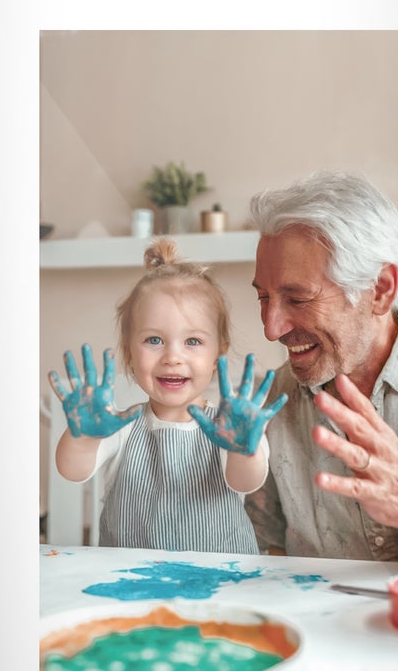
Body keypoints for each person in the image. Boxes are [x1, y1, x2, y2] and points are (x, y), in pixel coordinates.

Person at [245, 171, 398, 563]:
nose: (271, 328)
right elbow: (266, 553)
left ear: (381, 289)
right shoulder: (269, 401)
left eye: (297, 299)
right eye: (264, 298)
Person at [49, 237, 287, 554]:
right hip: (131, 582)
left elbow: (246, 482)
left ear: (220, 352)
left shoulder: (230, 428)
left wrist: (246, 450)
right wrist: (83, 439)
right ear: (128, 351)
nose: (172, 357)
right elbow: (72, 470)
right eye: (154, 340)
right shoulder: (120, 427)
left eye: (192, 342)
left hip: (220, 583)